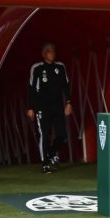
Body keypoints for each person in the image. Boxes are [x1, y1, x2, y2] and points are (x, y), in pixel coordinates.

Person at [26, 43, 73, 173]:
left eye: (53, 51)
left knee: (62, 134)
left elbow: (66, 86)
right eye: (48, 51)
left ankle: (51, 153)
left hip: (57, 106)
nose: (51, 53)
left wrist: (68, 103)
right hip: (42, 106)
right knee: (44, 134)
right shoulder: (37, 68)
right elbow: (31, 88)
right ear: (43, 54)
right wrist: (30, 107)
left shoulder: (60, 67)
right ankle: (45, 163)